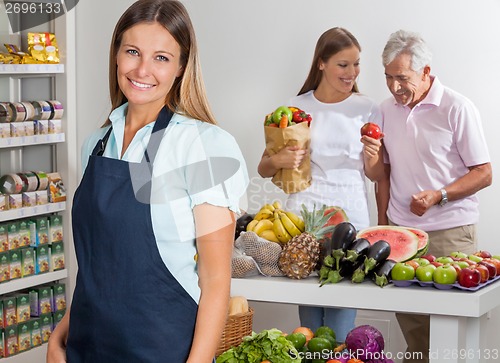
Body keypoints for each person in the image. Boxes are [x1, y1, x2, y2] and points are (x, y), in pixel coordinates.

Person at [46, 1, 248, 362]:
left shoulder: (203, 146)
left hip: (163, 348)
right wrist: (59, 337)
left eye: (161, 57)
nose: (142, 69)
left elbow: (216, 282)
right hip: (87, 347)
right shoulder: (97, 144)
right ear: (116, 55)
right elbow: (100, 267)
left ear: (181, 66)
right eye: (133, 52)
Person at [258, 27, 385, 342]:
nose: (352, 73)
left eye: (356, 64)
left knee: (341, 322)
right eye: (343, 64)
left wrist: (372, 157)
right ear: (321, 64)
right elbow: (264, 167)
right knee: (309, 325)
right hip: (303, 224)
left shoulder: (368, 107)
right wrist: (280, 161)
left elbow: (377, 174)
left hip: (351, 221)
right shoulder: (296, 106)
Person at [377, 29, 492, 363]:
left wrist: (440, 195)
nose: (395, 87)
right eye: (387, 77)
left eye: (402, 77)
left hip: (451, 234)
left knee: (451, 326)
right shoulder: (385, 109)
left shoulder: (457, 107)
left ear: (426, 72)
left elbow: (484, 172)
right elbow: (382, 174)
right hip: (402, 234)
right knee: (413, 326)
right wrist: (383, 225)